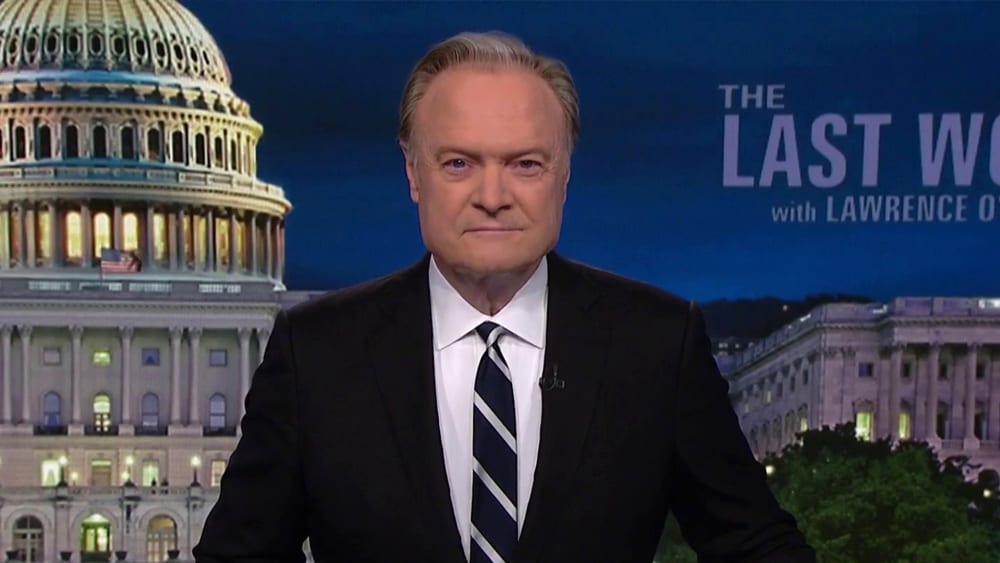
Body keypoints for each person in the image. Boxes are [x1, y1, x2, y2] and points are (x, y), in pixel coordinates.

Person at [193, 31, 815, 563]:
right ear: (412, 172)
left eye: (525, 165)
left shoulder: (656, 343)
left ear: (564, 174)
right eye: (459, 164)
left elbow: (757, 545)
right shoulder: (317, 353)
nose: (492, 197)